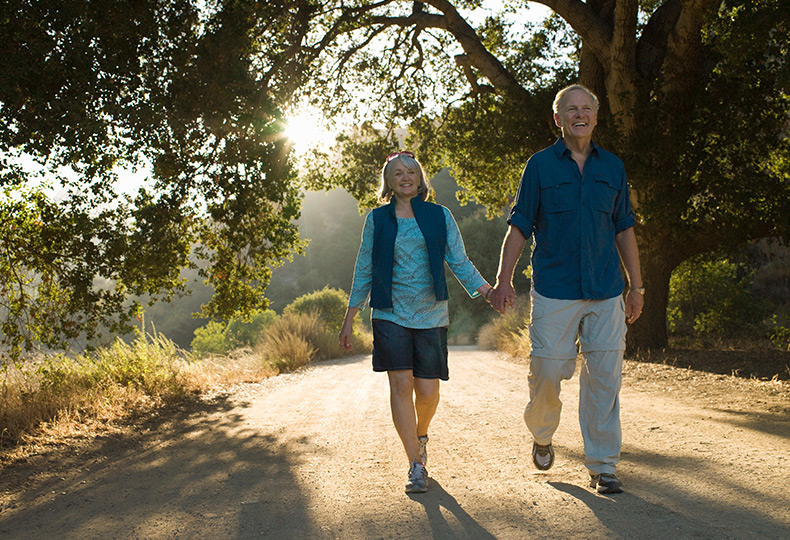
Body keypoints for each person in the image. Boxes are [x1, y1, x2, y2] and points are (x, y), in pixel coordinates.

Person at [489, 84, 644, 494]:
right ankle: (542, 433)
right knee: (547, 370)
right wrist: (503, 280)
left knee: (605, 380)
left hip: (606, 289)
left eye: (587, 108)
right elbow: (519, 226)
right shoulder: (540, 166)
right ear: (558, 119)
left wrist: (637, 286)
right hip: (555, 289)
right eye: (571, 109)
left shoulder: (613, 167)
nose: (580, 114)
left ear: (596, 116)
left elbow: (624, 228)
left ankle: (603, 466)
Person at [339, 151, 494, 494]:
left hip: (431, 313)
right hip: (389, 312)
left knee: (427, 391)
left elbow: (459, 260)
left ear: (420, 179)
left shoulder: (440, 215)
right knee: (400, 386)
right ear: (389, 181)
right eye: (397, 173)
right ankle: (415, 464)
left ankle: (421, 434)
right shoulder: (377, 219)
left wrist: (487, 291)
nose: (405, 177)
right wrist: (349, 317)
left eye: (410, 171)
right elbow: (364, 268)